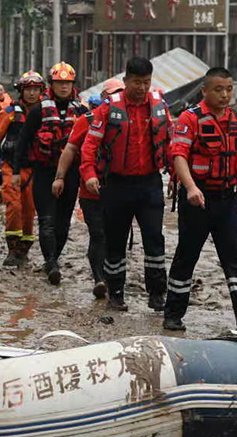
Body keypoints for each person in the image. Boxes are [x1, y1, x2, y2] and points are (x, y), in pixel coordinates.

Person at [160, 68, 237, 332]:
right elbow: (179, 155)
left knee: (235, 257)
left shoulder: (234, 120)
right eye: (218, 89)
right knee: (187, 255)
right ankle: (173, 314)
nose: (225, 94)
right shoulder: (190, 119)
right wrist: (190, 188)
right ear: (205, 91)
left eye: (229, 89)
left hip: (228, 200)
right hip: (198, 200)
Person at [79, 57, 171, 308]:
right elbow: (90, 145)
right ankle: (116, 293)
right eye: (137, 82)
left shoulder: (159, 106)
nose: (142, 88)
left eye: (146, 82)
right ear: (126, 81)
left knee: (154, 239)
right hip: (117, 185)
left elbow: (170, 143)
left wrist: (175, 175)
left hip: (150, 184)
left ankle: (156, 294)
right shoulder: (108, 109)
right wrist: (89, 175)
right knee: (115, 241)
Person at [16, 62, 86, 284]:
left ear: (73, 84)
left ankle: (53, 257)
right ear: (52, 84)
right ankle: (51, 263)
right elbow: (23, 141)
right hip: (45, 171)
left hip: (71, 174)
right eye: (59, 83)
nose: (64, 87)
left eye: (67, 83)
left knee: (63, 222)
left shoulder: (82, 112)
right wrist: (17, 171)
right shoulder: (39, 110)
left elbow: (92, 143)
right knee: (46, 220)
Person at [56, 78, 122, 298]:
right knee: (99, 234)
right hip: (90, 189)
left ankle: (114, 278)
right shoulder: (87, 120)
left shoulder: (132, 121)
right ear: (104, 98)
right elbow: (70, 150)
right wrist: (60, 177)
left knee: (115, 236)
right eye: (112, 94)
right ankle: (99, 278)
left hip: (120, 190)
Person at [0, 72, 45, 266]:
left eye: (36, 89)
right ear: (21, 91)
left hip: (35, 170)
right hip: (10, 167)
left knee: (29, 210)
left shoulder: (46, 113)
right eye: (28, 89)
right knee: (13, 207)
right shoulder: (10, 112)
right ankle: (13, 248)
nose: (32, 94)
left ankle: (24, 249)